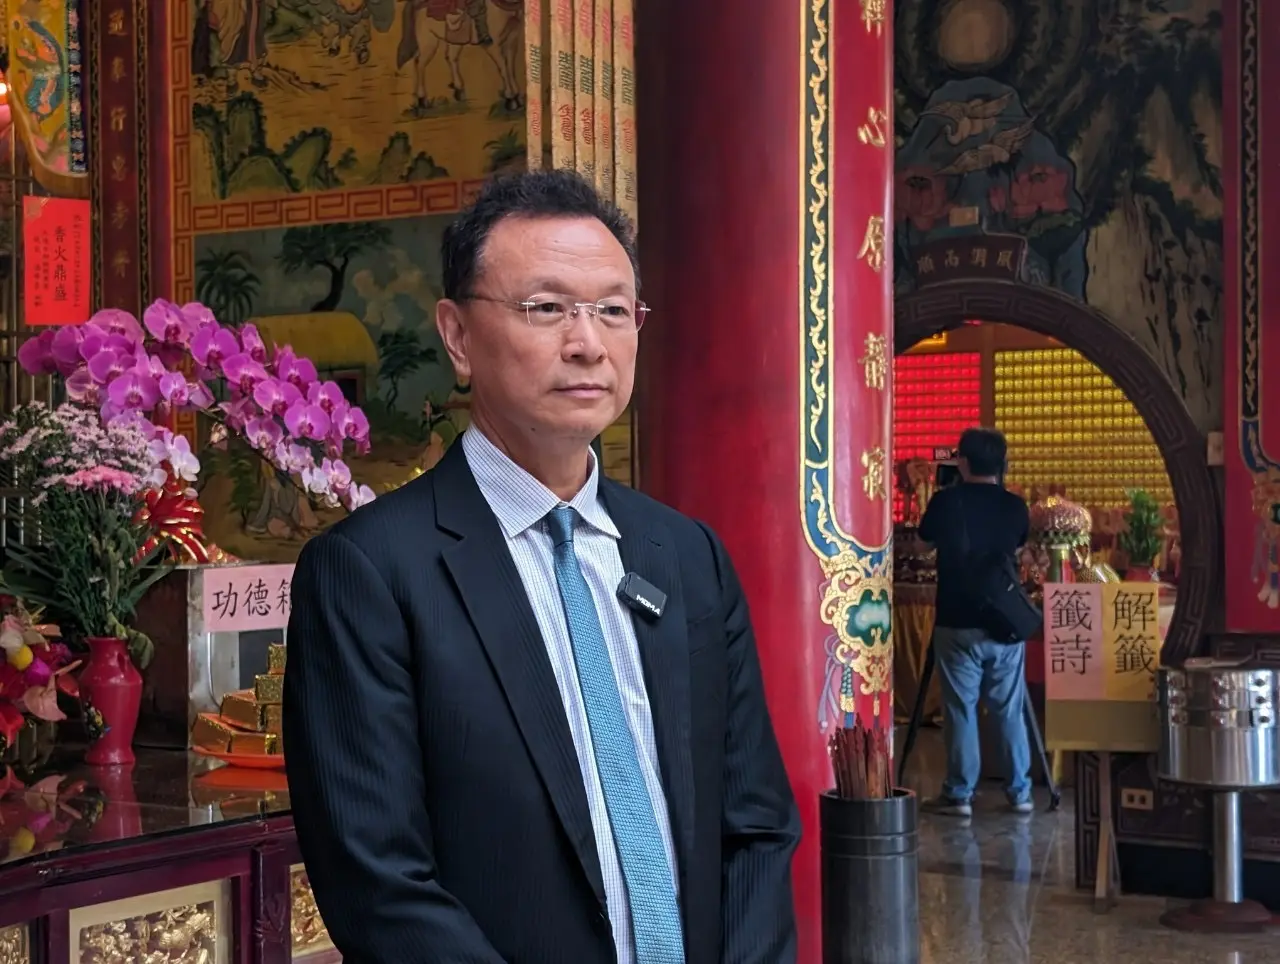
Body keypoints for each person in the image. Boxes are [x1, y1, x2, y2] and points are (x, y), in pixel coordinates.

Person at [283, 169, 801, 964]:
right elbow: (378, 881)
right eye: (546, 308)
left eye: (613, 310)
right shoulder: (369, 574)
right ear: (458, 336)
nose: (588, 342)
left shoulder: (686, 558)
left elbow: (755, 826)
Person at [917, 427, 1033, 818]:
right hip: (1005, 621)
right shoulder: (1015, 507)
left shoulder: (945, 502)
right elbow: (1019, 548)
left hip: (957, 619)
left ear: (962, 462)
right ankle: (1020, 792)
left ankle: (960, 794)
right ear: (1003, 463)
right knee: (1009, 709)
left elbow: (922, 544)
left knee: (960, 710)